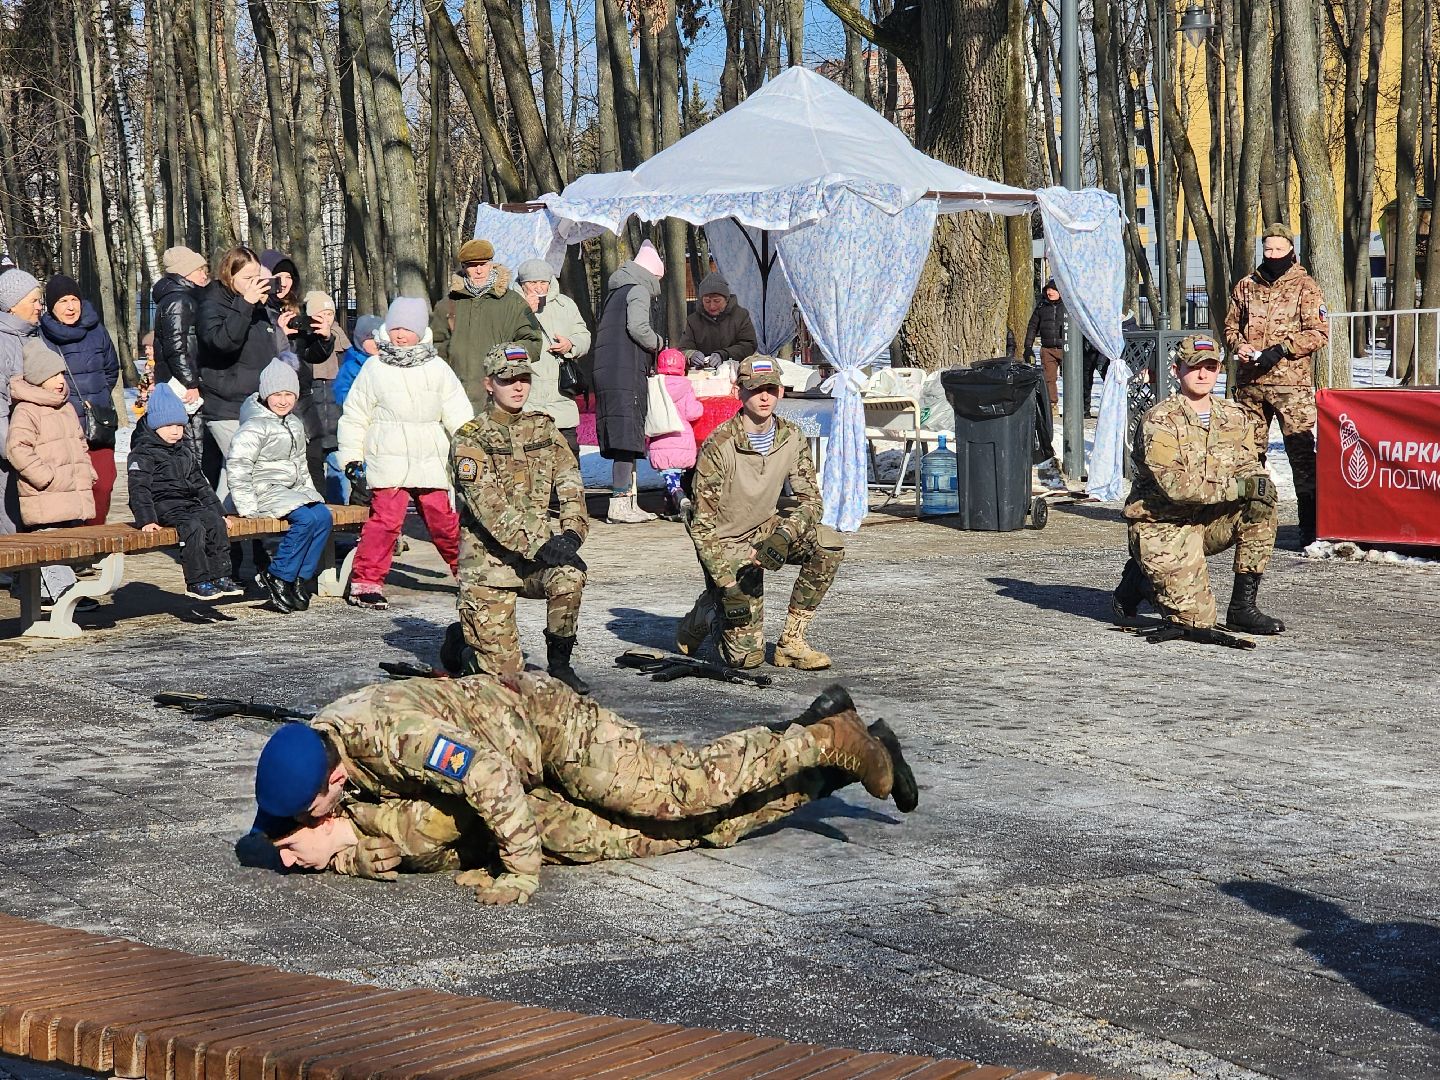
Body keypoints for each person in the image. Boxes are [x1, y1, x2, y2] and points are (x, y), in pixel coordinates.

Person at [247, 673, 912, 905]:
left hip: (545, 727)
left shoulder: (394, 736)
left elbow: (489, 774)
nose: (282, 847)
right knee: (673, 827)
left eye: (299, 824)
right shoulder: (314, 757)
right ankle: (821, 762)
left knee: (676, 791)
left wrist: (520, 875)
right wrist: (346, 851)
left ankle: (825, 739)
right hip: (526, 779)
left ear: (332, 783)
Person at [677, 354, 845, 671]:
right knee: (745, 660)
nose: (764, 396)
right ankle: (708, 611)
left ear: (781, 391)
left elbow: (812, 501)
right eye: (755, 389)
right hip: (725, 543)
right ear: (740, 391)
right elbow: (701, 527)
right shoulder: (720, 444)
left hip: (767, 530)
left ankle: (791, 643)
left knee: (828, 544)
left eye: (770, 388)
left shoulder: (791, 437)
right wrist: (727, 587)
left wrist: (784, 536)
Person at [1112, 334, 1285, 639]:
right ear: (1177, 369)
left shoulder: (1234, 416)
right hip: (1163, 524)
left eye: (1210, 366)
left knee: (1262, 506)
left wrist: (1259, 483)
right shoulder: (1160, 421)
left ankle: (1242, 609)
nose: (1203, 374)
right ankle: (1139, 580)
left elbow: (1247, 466)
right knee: (1196, 622)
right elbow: (1177, 487)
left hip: (1207, 520)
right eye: (1194, 367)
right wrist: (1241, 488)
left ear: (1219, 370)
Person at [449, 343, 590, 693]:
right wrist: (542, 543)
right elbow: (488, 506)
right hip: (489, 567)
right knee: (506, 682)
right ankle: (465, 647)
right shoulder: (470, 438)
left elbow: (570, 481)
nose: (517, 386)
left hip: (535, 561)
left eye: (524, 378)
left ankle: (560, 664)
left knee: (570, 575)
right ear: (488, 384)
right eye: (507, 379)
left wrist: (571, 534)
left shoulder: (543, 429)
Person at [338, 297, 473, 611]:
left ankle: (471, 576)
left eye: (407, 328)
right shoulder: (374, 367)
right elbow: (355, 415)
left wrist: (469, 448)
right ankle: (366, 582)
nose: (400, 334)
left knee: (444, 522)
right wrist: (352, 457)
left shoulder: (438, 369)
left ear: (420, 331)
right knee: (384, 522)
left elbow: (458, 413)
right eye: (395, 327)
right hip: (388, 458)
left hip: (430, 459)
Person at [1223, 222, 1328, 547]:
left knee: (1301, 455)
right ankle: (1248, 523)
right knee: (1248, 455)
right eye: (1267, 249)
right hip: (1250, 385)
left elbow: (1318, 333)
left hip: (1291, 387)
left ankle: (1309, 527)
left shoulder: (1305, 286)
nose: (1272, 255)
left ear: (1290, 251)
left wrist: (1281, 350)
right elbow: (1230, 326)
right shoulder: (1246, 286)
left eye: (1278, 250)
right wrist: (1238, 346)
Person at [226, 359, 333, 614]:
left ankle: (299, 577)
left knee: (322, 517)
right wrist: (247, 507)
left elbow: (300, 464)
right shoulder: (254, 426)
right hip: (262, 490)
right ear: (265, 396)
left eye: (288, 394)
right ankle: (277, 574)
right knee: (305, 520)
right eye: (276, 395)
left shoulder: (294, 423)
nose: (283, 401)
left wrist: (311, 493)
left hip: (289, 491)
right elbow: (238, 467)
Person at [127, 384, 241, 601]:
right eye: (168, 425)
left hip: (187, 503)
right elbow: (138, 489)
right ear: (154, 425)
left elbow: (200, 483)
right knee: (193, 527)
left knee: (214, 523)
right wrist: (146, 519)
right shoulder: (143, 453)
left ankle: (221, 575)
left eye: (180, 425)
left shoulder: (184, 451)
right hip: (163, 505)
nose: (175, 431)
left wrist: (219, 512)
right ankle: (197, 581)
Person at [6, 339, 97, 608]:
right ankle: (64, 592)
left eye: (60, 374)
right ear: (36, 379)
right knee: (50, 543)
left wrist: (87, 470)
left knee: (64, 540)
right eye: (51, 375)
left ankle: (28, 586)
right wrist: (44, 477)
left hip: (70, 490)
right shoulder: (27, 409)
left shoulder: (64, 407)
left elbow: (79, 442)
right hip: (46, 494)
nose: (59, 380)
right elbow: (17, 449)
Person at [593, 240, 666, 523]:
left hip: (610, 368)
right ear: (651, 273)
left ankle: (629, 500)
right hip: (625, 368)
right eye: (658, 278)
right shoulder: (638, 290)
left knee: (625, 432)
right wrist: (659, 343)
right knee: (626, 434)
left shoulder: (616, 292)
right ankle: (620, 503)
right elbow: (638, 328)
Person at [38, 275, 120, 525]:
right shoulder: (40, 335)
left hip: (97, 423)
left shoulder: (96, 330)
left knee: (104, 483)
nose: (71, 306)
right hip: (62, 427)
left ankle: (95, 539)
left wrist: (99, 397)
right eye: (63, 301)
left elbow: (111, 369)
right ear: (51, 306)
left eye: (74, 299)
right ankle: (74, 547)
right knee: (71, 489)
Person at [258, 251, 338, 490]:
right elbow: (258, 357)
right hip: (272, 399)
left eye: (289, 277)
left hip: (302, 398)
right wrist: (278, 334)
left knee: (313, 458)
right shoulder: (258, 312)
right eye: (278, 276)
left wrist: (324, 338)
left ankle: (321, 512)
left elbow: (310, 355)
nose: (284, 283)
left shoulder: (294, 311)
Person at [431, 239, 542, 410]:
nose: (479, 270)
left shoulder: (513, 302)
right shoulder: (448, 305)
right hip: (457, 396)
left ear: (491, 264)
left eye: (483, 264)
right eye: (472, 265)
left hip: (501, 395)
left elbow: (532, 342)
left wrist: (505, 361)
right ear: (463, 267)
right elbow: (436, 347)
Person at [514, 258, 590, 459]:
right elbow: (503, 339)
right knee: (533, 462)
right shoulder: (510, 306)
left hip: (562, 397)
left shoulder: (565, 304)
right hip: (528, 398)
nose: (539, 287)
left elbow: (584, 335)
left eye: (543, 282)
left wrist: (571, 344)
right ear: (522, 284)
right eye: (532, 283)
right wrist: (524, 311)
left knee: (569, 458)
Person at [0, 267, 46, 538]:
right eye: (34, 301)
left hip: (34, 441)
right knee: (9, 514)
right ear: (13, 305)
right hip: (11, 446)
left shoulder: (33, 335)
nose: (40, 307)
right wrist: (11, 447)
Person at [151, 245, 210, 452]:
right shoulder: (179, 300)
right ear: (185, 273)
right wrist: (190, 381)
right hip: (181, 385)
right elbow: (175, 346)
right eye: (200, 270)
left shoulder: (185, 297)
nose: (205, 275)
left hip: (183, 380)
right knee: (192, 443)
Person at [330, 314, 382, 504]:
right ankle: (357, 510)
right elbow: (341, 392)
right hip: (361, 424)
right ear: (360, 340)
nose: (376, 343)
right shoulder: (352, 365)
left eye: (379, 338)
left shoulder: (387, 364)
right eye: (370, 338)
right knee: (361, 477)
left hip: (379, 427)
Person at [646, 347, 702, 515]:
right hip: (681, 437)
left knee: (669, 472)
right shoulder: (686, 386)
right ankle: (677, 496)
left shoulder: (654, 385)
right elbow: (693, 412)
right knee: (676, 473)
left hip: (660, 436)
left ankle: (674, 499)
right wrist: (700, 404)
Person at [677, 270, 756, 369]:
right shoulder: (693, 321)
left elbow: (749, 345)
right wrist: (691, 355)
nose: (712, 306)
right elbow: (683, 349)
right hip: (703, 373)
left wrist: (724, 354)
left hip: (735, 370)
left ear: (726, 299)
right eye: (707, 301)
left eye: (717, 301)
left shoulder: (740, 316)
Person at [1023, 279, 1065, 413]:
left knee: (1072, 378)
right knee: (1049, 378)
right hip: (1047, 349)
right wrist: (1028, 347)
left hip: (1066, 348)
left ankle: (1075, 405)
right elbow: (1032, 326)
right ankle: (1052, 404)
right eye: (1048, 289)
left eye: (1053, 289)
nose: (1050, 292)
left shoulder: (1068, 306)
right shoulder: (1041, 307)